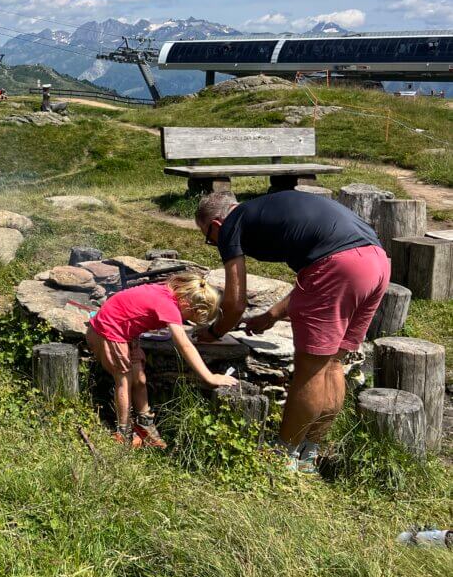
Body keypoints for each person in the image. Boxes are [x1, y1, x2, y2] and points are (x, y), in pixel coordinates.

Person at [194, 190, 390, 473]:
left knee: (309, 371)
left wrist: (212, 333)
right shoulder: (267, 210)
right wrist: (272, 315)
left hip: (339, 266)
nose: (213, 243)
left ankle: (281, 455)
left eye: (208, 237)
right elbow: (315, 276)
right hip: (376, 263)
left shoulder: (230, 225)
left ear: (215, 226)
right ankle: (309, 452)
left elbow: (235, 304)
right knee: (333, 364)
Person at [87, 272, 237, 447]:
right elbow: (185, 345)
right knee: (124, 380)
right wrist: (210, 377)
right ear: (189, 306)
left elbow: (133, 311)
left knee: (140, 379)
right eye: (188, 318)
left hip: (125, 331)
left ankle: (144, 425)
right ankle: (124, 432)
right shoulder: (169, 306)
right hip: (108, 330)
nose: (184, 321)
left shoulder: (169, 294)